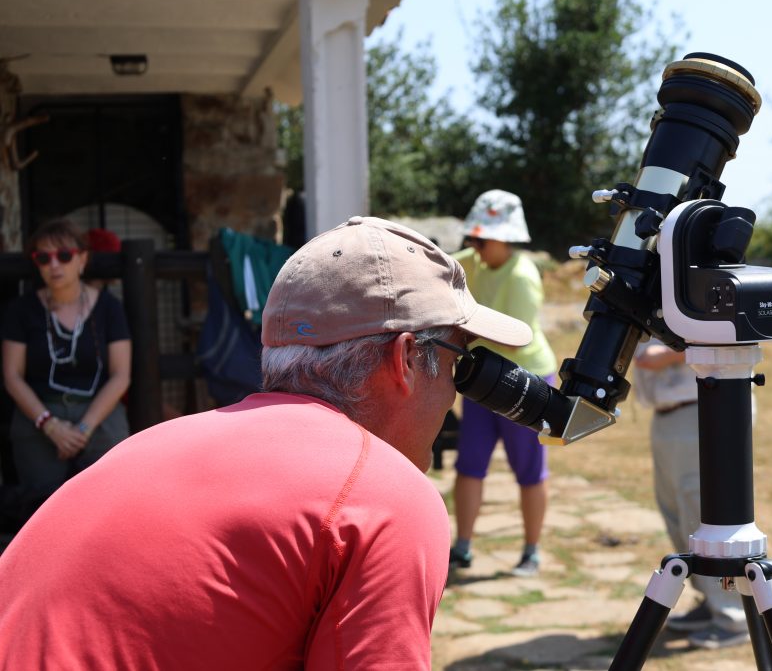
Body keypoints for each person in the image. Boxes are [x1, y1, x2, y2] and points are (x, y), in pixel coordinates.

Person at [0, 217, 532, 668]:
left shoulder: (149, 445)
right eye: (458, 364)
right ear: (406, 359)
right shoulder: (385, 500)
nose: (456, 394)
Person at [449, 189, 558, 578]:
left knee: (529, 470)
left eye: (483, 238)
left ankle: (531, 550)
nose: (475, 245)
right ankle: (462, 546)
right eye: (472, 238)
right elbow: (439, 268)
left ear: (506, 238)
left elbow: (515, 336)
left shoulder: (523, 276)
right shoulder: (472, 263)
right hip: (481, 379)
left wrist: (458, 331)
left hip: (523, 380)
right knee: (469, 465)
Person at [632, 337, 752, 649]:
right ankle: (710, 602)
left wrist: (668, 355)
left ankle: (733, 616)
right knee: (678, 515)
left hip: (704, 407)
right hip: (668, 413)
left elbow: (728, 334)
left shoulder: (704, 287)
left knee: (708, 516)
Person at [1, 218, 131, 504]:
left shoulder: (109, 308)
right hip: (39, 416)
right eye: (44, 258)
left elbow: (121, 374)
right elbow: (12, 375)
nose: (54, 265)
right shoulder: (21, 310)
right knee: (40, 506)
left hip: (100, 415)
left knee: (109, 502)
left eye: (64, 255)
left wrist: (83, 429)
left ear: (82, 259)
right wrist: (50, 425)